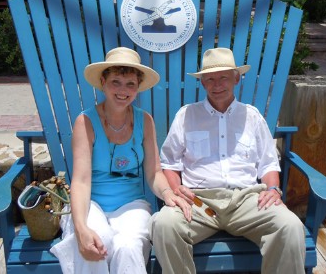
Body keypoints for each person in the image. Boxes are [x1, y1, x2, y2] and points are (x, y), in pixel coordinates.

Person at [149, 48, 306, 273]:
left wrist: (273, 189)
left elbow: (268, 163)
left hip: (247, 200)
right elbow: (170, 163)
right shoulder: (186, 115)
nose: (217, 84)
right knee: (163, 224)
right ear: (202, 83)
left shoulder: (252, 116)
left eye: (223, 77)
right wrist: (176, 189)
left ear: (236, 78)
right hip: (199, 202)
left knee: (290, 226)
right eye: (210, 78)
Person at [50, 47, 190, 274]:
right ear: (103, 82)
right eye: (116, 82)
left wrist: (167, 194)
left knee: (128, 247)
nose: (123, 90)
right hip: (91, 203)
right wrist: (80, 227)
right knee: (95, 241)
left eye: (130, 84)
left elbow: (154, 173)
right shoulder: (85, 122)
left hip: (131, 204)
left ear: (137, 88)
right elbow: (82, 181)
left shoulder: (145, 121)